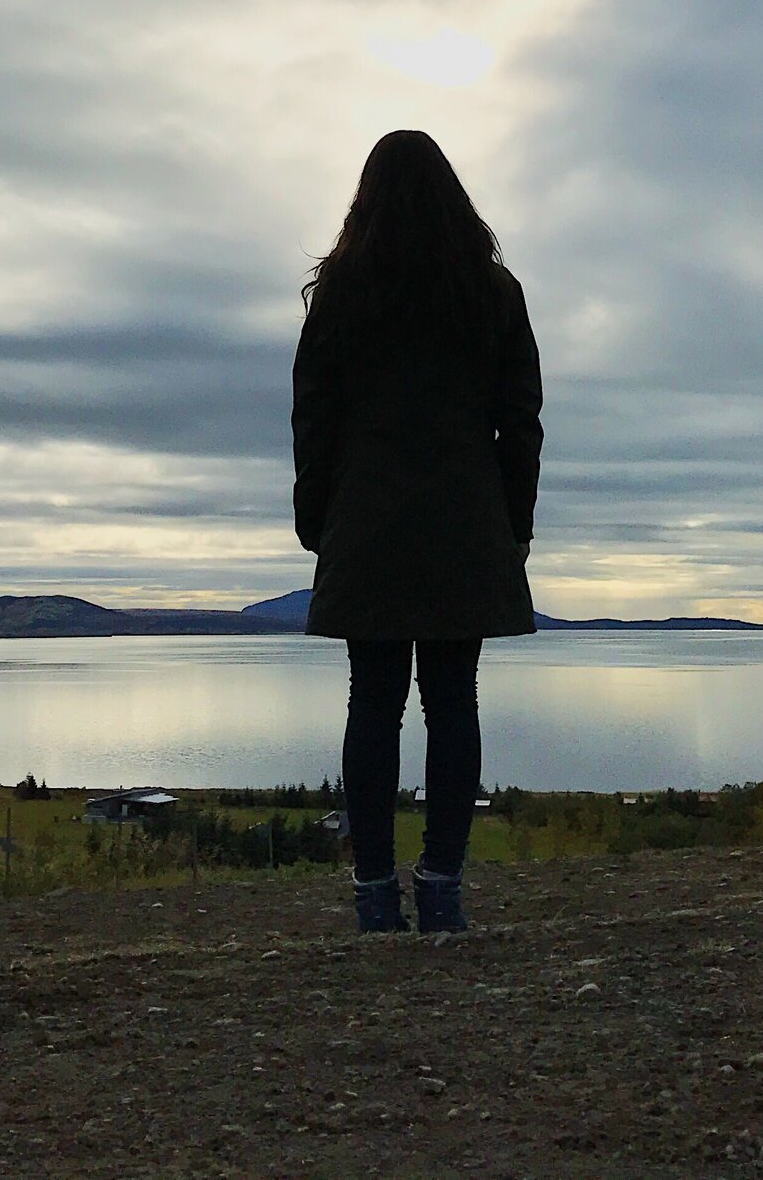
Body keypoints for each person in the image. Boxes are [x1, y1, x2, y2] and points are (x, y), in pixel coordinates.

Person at [291, 130, 542, 934]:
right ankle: (440, 887)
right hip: (465, 525)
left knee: (374, 703)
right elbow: (522, 425)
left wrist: (316, 518)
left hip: (367, 527)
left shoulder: (341, 295)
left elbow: (312, 419)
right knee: (452, 701)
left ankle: (373, 895)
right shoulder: (493, 294)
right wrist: (513, 527)